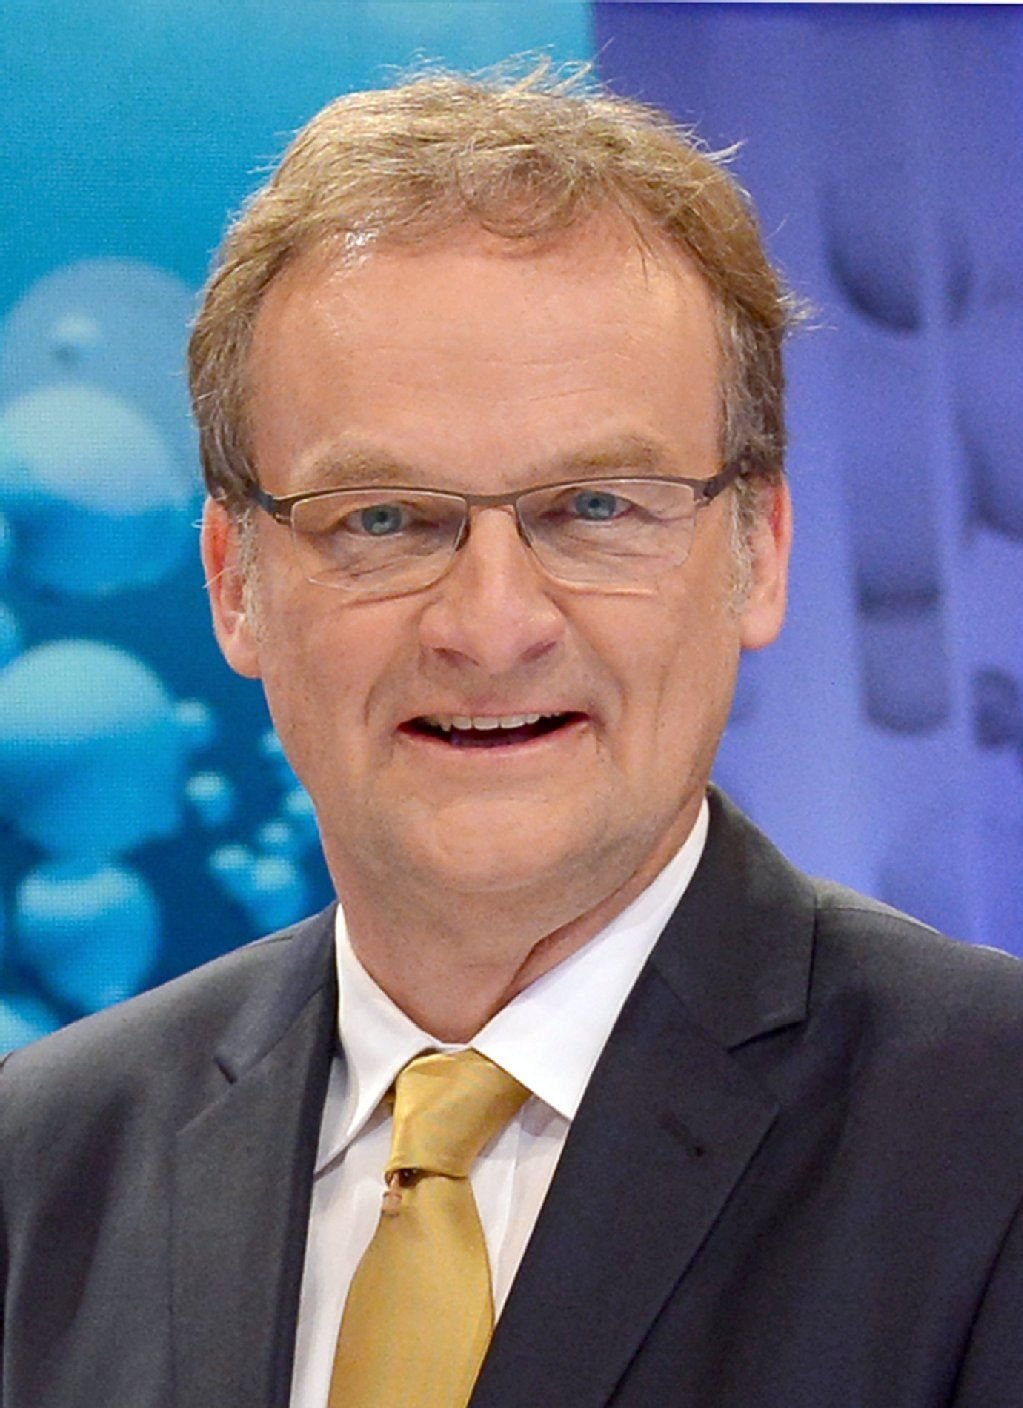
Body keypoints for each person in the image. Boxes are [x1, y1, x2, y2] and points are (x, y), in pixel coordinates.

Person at [2, 64, 1022, 1408]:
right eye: (382, 518)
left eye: (596, 507)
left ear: (760, 551)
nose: (491, 626)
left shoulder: (994, 1139)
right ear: (233, 582)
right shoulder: (38, 1164)